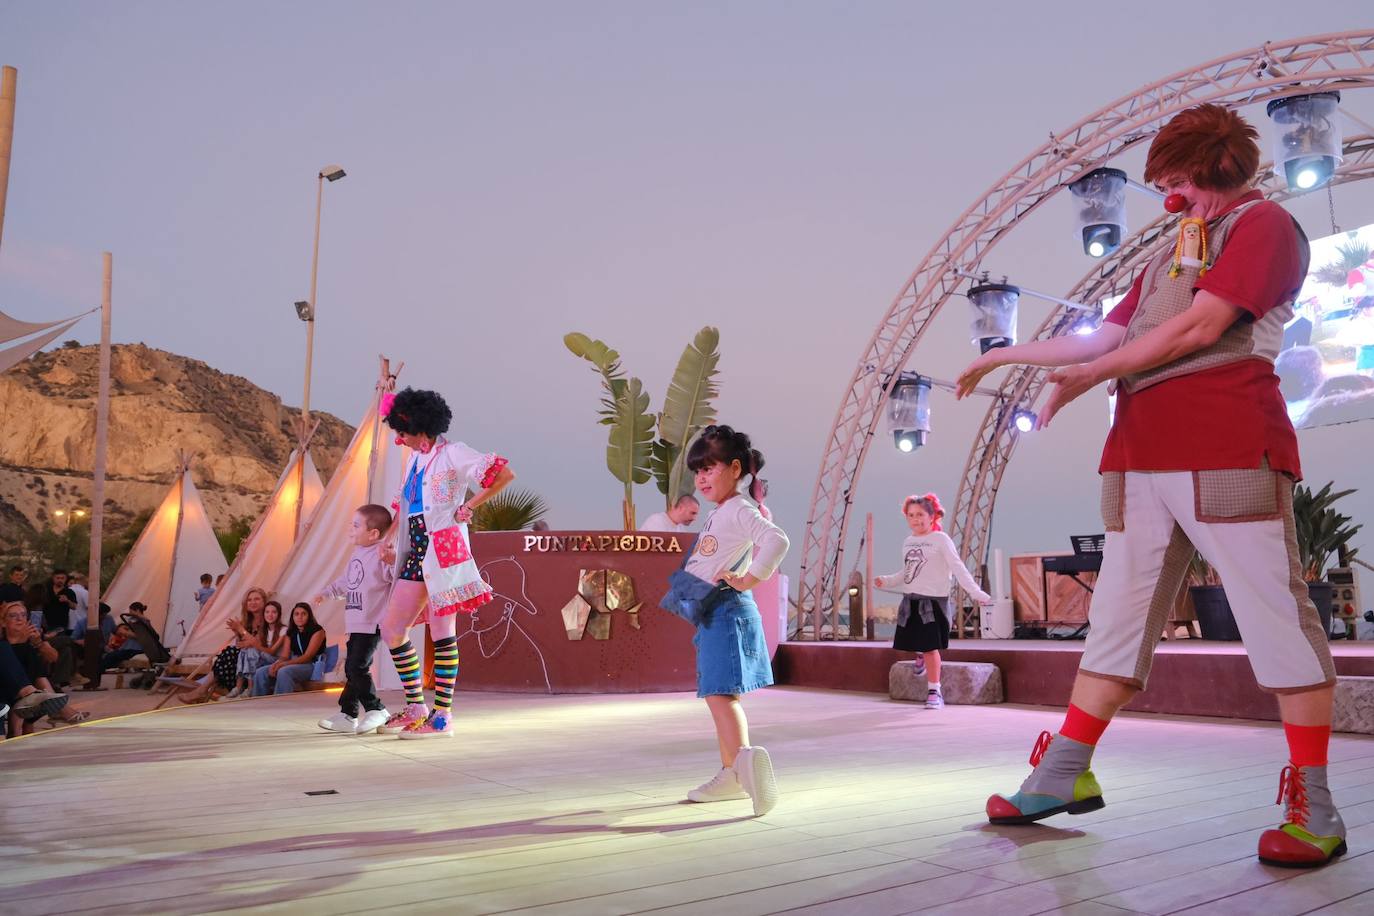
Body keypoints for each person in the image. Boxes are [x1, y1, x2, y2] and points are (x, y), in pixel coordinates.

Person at [956, 104, 1343, 868]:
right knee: (1117, 622)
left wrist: (1089, 376)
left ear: (1217, 168)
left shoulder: (1265, 228)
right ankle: (1063, 773)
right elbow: (1108, 335)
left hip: (1227, 444)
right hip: (1137, 456)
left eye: (1180, 184)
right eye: (1165, 186)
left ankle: (1316, 806)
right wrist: (1012, 357)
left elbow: (1202, 329)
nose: (1173, 199)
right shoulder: (1173, 250)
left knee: (1274, 616)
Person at [660, 425, 788, 817]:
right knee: (718, 696)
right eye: (697, 472)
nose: (701, 479)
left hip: (729, 610)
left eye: (709, 469)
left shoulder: (739, 510)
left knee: (721, 697)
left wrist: (751, 577)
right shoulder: (725, 511)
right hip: (716, 613)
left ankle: (744, 768)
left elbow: (777, 540)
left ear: (735, 469)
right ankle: (731, 774)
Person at [376, 388, 515, 739]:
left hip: (444, 546)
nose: (399, 439)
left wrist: (471, 506)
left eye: (402, 432)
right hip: (416, 547)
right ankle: (416, 706)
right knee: (393, 628)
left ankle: (442, 715)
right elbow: (403, 503)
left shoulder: (454, 453)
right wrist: (390, 536)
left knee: (442, 633)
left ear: (420, 429)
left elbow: (504, 474)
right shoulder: (415, 460)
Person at [873, 493, 992, 709]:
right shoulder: (908, 542)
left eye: (920, 514)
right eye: (911, 515)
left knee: (930, 648)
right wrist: (887, 581)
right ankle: (920, 654)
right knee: (916, 645)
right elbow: (906, 572)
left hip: (933, 603)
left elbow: (958, 568)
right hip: (911, 601)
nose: (915, 519)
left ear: (932, 516)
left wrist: (976, 593)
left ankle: (934, 692)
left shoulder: (941, 540)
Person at [316, 504, 395, 734]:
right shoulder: (358, 553)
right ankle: (348, 714)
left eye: (356, 525)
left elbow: (395, 574)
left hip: (372, 622)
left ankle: (376, 709)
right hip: (356, 621)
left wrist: (392, 560)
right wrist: (327, 591)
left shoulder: (382, 552)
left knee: (356, 667)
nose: (350, 529)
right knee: (353, 669)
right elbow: (346, 581)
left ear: (374, 534)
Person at [3, 602, 88, 733]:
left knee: (32, 654)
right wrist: (19, 642)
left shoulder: (33, 637)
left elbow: (53, 658)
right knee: (28, 654)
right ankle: (57, 706)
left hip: (27, 688)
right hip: (6, 687)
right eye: (13, 616)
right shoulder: (2, 643)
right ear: (3, 622)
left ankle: (46, 701)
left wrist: (39, 643)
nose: (19, 619)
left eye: (23, 615)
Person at [180, 587, 270, 703]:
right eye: (249, 600)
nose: (252, 602)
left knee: (229, 653)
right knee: (230, 653)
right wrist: (237, 633)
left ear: (264, 601)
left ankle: (202, 690)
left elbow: (257, 643)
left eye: (257, 599)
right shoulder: (247, 621)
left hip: (258, 660)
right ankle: (203, 690)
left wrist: (241, 630)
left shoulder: (268, 618)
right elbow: (240, 645)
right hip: (243, 661)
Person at [252, 602, 325, 696]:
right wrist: (276, 664)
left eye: (303, 614)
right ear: (293, 617)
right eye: (296, 614)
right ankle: (258, 704)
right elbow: (285, 656)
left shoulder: (318, 631)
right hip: (292, 661)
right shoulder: (290, 632)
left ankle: (280, 704)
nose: (300, 617)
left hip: (310, 664)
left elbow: (307, 656)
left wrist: (284, 664)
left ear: (309, 616)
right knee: (260, 672)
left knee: (284, 671)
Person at [230, 600, 286, 697]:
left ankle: (250, 688)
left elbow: (272, 651)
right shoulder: (263, 629)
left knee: (252, 650)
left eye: (274, 612)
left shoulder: (283, 630)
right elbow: (243, 643)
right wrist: (236, 632)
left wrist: (252, 642)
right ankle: (239, 687)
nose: (270, 615)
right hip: (264, 657)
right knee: (244, 651)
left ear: (279, 614)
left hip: (276, 659)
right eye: (267, 612)